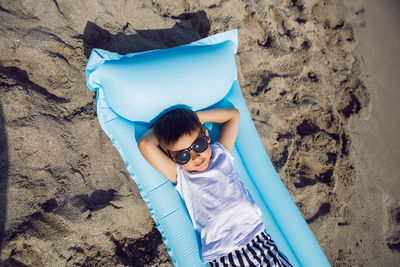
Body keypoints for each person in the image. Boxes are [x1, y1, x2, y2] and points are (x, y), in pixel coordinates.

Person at [138, 107, 292, 267]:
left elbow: (233, 116)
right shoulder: (183, 177)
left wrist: (190, 121)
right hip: (226, 254)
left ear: (205, 134)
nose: (196, 157)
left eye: (198, 145)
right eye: (183, 156)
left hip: (258, 239)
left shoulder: (222, 153)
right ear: (171, 157)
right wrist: (169, 129)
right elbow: (145, 144)